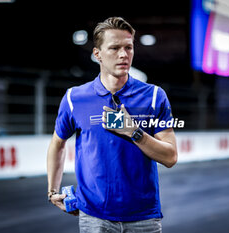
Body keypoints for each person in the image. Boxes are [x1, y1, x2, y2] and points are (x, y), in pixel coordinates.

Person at [47, 16, 178, 233]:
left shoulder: (154, 96)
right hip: (93, 216)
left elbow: (170, 157)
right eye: (114, 48)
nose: (123, 54)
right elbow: (57, 143)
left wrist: (134, 132)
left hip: (143, 218)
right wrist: (52, 191)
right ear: (97, 54)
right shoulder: (74, 98)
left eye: (128, 47)